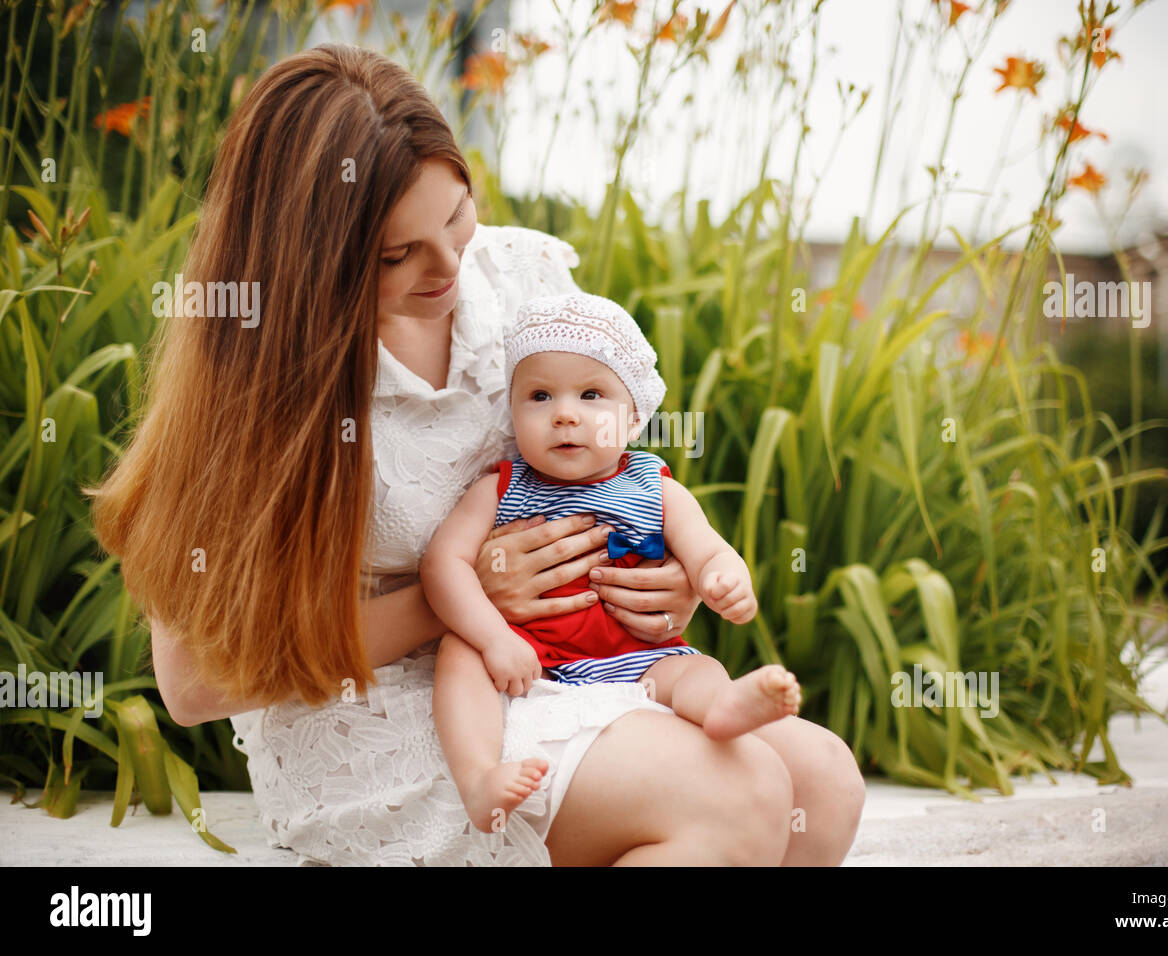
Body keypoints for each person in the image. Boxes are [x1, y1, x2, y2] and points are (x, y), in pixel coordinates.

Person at [88, 43, 864, 865]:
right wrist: (458, 598)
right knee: (736, 795)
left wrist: (660, 576)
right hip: (382, 720)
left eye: (458, 216)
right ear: (310, 263)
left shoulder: (522, 277)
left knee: (822, 781)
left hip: (564, 672)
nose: (451, 265)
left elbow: (607, 465)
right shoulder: (251, 380)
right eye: (397, 255)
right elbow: (194, 686)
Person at [424, 291, 804, 833]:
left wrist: (723, 580)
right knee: (458, 652)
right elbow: (444, 564)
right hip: (529, 654)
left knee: (695, 667)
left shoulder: (656, 487)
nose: (563, 414)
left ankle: (723, 708)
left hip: (636, 654)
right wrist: (493, 638)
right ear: (513, 413)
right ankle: (480, 776)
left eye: (590, 394)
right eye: (538, 396)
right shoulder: (502, 487)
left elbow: (708, 549)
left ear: (632, 420)